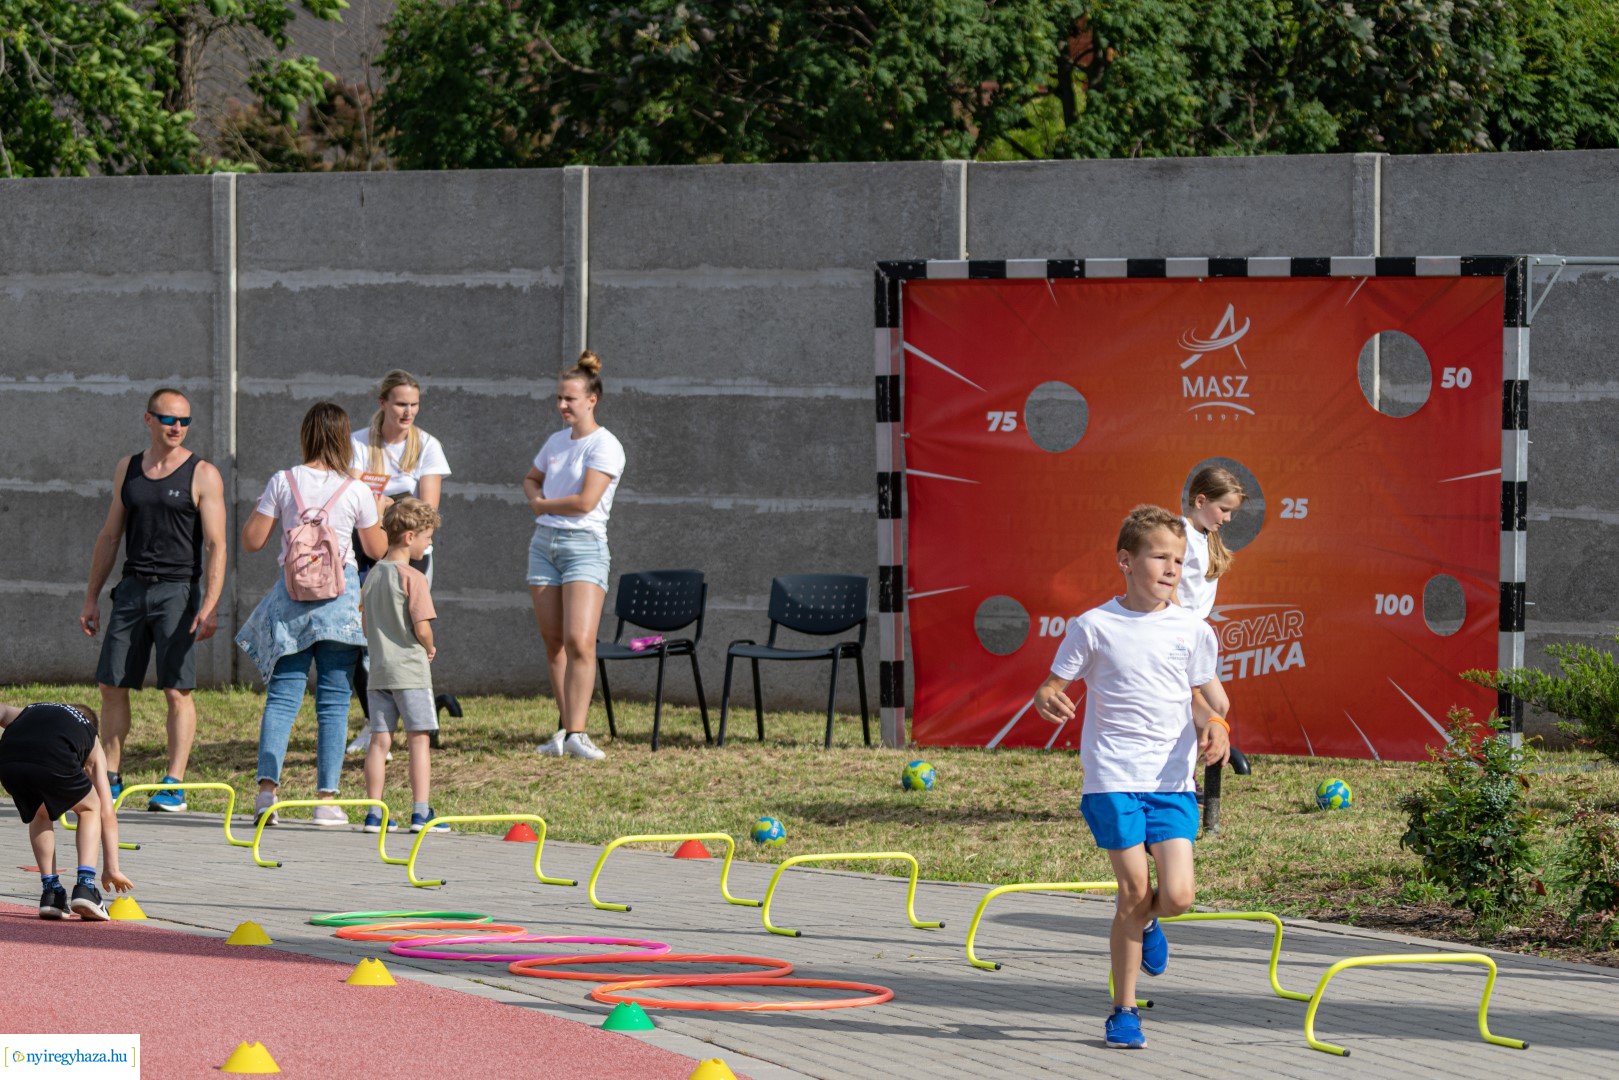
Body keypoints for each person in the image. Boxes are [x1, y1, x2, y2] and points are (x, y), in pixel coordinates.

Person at [1032, 505, 1231, 1050]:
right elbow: (1052, 686)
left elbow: (1201, 700)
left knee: (1180, 896)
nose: (1172, 568)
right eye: (1160, 557)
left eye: (1180, 560)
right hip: (1111, 775)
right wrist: (1048, 697)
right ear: (1126, 560)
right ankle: (1123, 1012)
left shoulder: (1192, 630)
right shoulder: (1093, 626)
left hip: (1171, 781)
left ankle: (1148, 925)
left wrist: (1216, 725)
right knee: (1134, 889)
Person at [236, 403, 388, 826]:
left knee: (283, 696)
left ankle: (267, 794)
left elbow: (251, 540)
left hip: (292, 602)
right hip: (340, 605)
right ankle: (326, 799)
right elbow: (376, 550)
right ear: (344, 440)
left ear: (306, 435)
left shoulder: (283, 481)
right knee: (334, 701)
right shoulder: (355, 489)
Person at [79, 388, 227, 810]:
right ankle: (111, 775)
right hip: (131, 588)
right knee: (111, 683)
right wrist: (91, 597)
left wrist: (210, 603)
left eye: (184, 421)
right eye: (168, 419)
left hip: (178, 591)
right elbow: (110, 535)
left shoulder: (203, 473)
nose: (177, 427)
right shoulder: (129, 468)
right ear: (149, 420)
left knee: (176, 689)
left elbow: (217, 545)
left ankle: (173, 783)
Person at [524, 351, 625, 762]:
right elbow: (531, 479)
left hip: (584, 547)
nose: (562, 405)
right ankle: (565, 731)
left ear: (592, 400)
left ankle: (580, 733)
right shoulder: (554, 441)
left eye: (570, 399)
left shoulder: (607, 445)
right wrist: (537, 500)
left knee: (580, 641)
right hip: (543, 546)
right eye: (559, 398)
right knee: (554, 644)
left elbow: (586, 502)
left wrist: (543, 505)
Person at [346, 370, 452, 756]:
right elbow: (354, 500)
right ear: (383, 404)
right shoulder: (358, 443)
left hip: (410, 557)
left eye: (414, 405)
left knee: (406, 639)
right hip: (363, 553)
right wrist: (384, 510)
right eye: (400, 404)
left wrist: (384, 507)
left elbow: (427, 513)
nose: (408, 412)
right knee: (364, 641)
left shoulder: (427, 446)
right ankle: (376, 726)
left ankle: (419, 724)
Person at [360, 497, 447, 834]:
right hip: (410, 671)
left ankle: (373, 812)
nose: (429, 543)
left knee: (379, 741)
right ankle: (420, 812)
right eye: (427, 537)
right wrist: (429, 645)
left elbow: (367, 626)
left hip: (378, 671)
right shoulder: (413, 578)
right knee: (418, 739)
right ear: (410, 537)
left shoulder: (371, 577)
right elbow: (422, 625)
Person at [0, 702, 134, 921]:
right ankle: (86, 887)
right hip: (53, 756)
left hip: (9, 760)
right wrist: (112, 868)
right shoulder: (90, 736)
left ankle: (51, 892)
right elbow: (107, 811)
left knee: (40, 811)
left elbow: (2, 711)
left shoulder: (34, 710)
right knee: (91, 807)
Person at [1175, 465, 1247, 621]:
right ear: (1201, 502)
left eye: (1231, 512)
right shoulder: (1178, 536)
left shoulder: (1208, 537)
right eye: (1223, 509)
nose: (1227, 519)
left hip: (1195, 628)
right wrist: (1181, 626)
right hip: (1178, 628)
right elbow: (1165, 589)